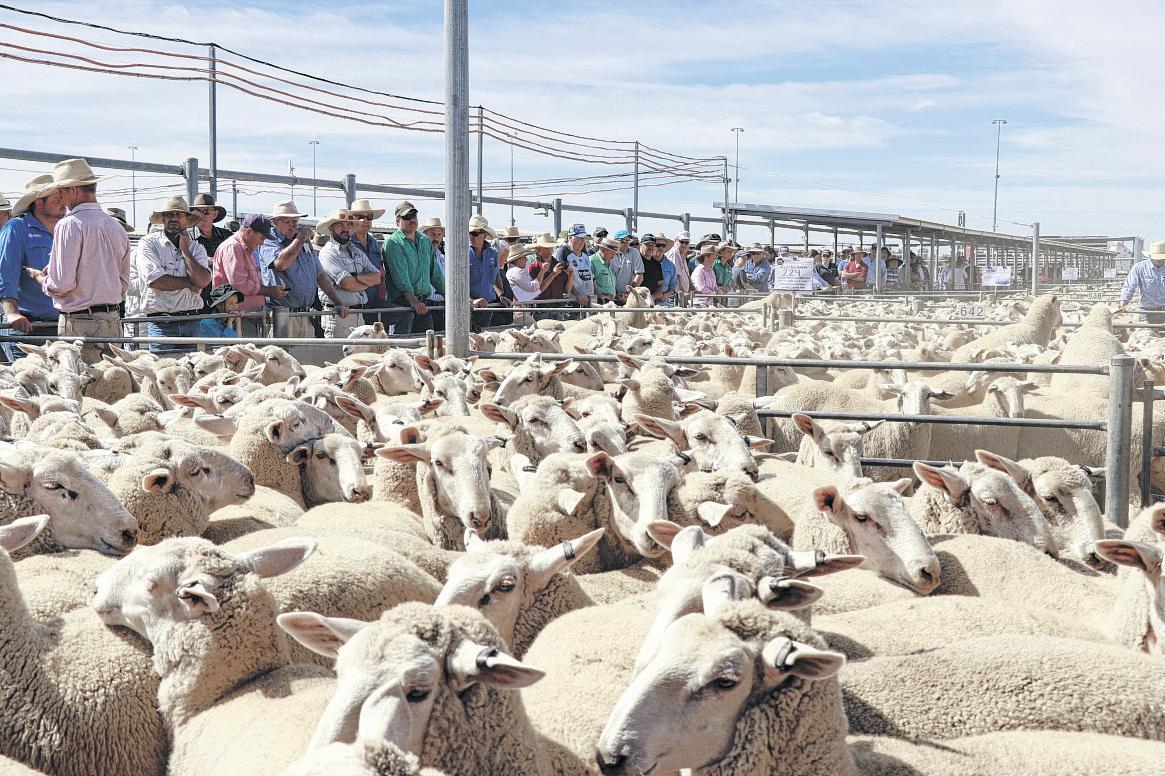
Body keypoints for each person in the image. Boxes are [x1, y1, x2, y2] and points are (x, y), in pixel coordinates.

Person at [31, 159, 129, 364]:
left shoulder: (69, 225)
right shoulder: (116, 226)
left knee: (81, 380)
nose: (60, 198)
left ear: (73, 189)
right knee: (112, 378)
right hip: (113, 320)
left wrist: (42, 280)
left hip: (80, 321)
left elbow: (62, 283)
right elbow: (122, 283)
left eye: (61, 191)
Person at [133, 196, 212, 353]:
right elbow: (156, 281)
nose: (174, 218)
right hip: (162, 323)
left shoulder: (196, 248)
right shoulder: (149, 243)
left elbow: (203, 281)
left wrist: (185, 250)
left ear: (187, 219)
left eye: (179, 214)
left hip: (191, 320)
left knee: (191, 367)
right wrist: (191, 283)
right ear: (163, 219)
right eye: (169, 214)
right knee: (162, 367)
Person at [258, 200, 347, 339]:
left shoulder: (303, 241)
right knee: (280, 352)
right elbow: (281, 264)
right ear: (275, 222)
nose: (293, 225)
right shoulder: (269, 240)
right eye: (288, 221)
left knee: (306, 352)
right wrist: (300, 238)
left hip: (305, 315)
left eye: (295, 221)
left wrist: (338, 302)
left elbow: (320, 275)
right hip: (281, 315)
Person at [0, 175, 65, 362]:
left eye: (63, 199)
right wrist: (12, 312)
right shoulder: (16, 228)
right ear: (38, 203)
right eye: (57, 200)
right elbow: (6, 273)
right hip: (27, 326)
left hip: (62, 325)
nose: (63, 204)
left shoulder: (65, 229)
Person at [212, 213, 282, 337]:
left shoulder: (243, 248)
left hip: (245, 318)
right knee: (243, 349)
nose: (262, 243)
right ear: (249, 232)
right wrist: (269, 291)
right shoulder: (233, 247)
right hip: (237, 320)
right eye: (261, 238)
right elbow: (241, 284)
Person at [317, 210, 381, 339]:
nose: (345, 228)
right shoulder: (328, 253)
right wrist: (365, 283)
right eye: (340, 225)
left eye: (348, 224)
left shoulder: (357, 251)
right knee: (340, 351)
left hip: (357, 313)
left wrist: (356, 278)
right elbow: (347, 283)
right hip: (338, 315)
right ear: (331, 228)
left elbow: (377, 277)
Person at [383, 201, 444, 335]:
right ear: (397, 221)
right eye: (407, 217)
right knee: (403, 344)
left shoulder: (424, 241)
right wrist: (413, 301)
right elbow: (401, 277)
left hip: (422, 303)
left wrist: (450, 295)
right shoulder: (393, 243)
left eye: (414, 216)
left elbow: (435, 274)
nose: (412, 220)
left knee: (428, 342)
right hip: (402, 303)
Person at [188, 194, 232, 310]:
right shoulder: (185, 237)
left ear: (215, 214)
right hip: (196, 301)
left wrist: (209, 261)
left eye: (206, 212)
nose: (202, 216)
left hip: (224, 300)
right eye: (197, 212)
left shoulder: (227, 236)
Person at [468, 215, 511, 330]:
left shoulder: (493, 253)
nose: (471, 237)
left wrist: (501, 295)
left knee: (483, 337)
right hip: (469, 307)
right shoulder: (463, 253)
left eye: (475, 234)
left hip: (488, 305)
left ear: (484, 235)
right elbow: (458, 284)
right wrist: (472, 300)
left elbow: (496, 277)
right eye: (470, 233)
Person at [347, 199, 387, 320]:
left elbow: (381, 270)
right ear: (352, 219)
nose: (365, 221)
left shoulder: (374, 243)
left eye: (369, 217)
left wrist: (381, 293)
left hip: (374, 301)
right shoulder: (346, 242)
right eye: (360, 217)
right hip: (354, 304)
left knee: (404, 316)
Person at [527, 232, 573, 318]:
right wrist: (553, 274)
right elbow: (537, 291)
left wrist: (571, 276)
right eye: (545, 248)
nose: (549, 250)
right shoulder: (533, 267)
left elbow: (567, 291)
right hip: (541, 309)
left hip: (558, 308)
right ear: (539, 250)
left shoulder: (559, 265)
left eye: (550, 247)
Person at [1119, 241, 1165, 326]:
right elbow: (1129, 286)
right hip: (1146, 311)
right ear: (1150, 256)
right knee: (1145, 333)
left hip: (1164, 310)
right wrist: (1124, 301)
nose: (1160, 260)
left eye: (1162, 258)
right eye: (1157, 258)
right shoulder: (1139, 268)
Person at [559, 224, 594, 310]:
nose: (582, 241)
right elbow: (563, 279)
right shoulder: (563, 252)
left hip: (588, 298)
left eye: (583, 238)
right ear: (570, 238)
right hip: (573, 300)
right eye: (579, 238)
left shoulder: (584, 252)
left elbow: (589, 276)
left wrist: (598, 294)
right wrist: (577, 294)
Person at [420, 217, 446, 331]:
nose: (436, 237)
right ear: (425, 235)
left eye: (439, 234)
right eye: (432, 234)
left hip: (441, 306)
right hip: (426, 304)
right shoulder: (420, 256)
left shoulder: (443, 258)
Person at [608, 232, 644, 304]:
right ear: (615, 242)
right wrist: (614, 293)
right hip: (611, 296)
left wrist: (630, 293)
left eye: (628, 241)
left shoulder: (634, 252)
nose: (626, 243)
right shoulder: (609, 252)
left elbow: (640, 276)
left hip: (629, 297)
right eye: (622, 241)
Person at [590, 237, 620, 304]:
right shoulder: (591, 261)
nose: (613, 257)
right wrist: (600, 295)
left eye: (614, 254)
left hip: (608, 302)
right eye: (612, 254)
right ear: (603, 250)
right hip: (599, 302)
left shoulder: (607, 262)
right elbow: (590, 282)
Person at [665, 230, 692, 301]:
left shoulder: (682, 254)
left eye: (686, 242)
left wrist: (692, 290)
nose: (684, 244)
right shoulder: (674, 253)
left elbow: (687, 275)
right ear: (675, 241)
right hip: (675, 296)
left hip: (680, 295)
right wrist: (682, 293)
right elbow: (676, 276)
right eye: (682, 242)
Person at [638, 235, 665, 300]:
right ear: (640, 245)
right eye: (648, 245)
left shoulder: (657, 264)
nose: (650, 247)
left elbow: (660, 284)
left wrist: (654, 296)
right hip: (636, 300)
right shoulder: (635, 261)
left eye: (653, 245)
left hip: (651, 301)